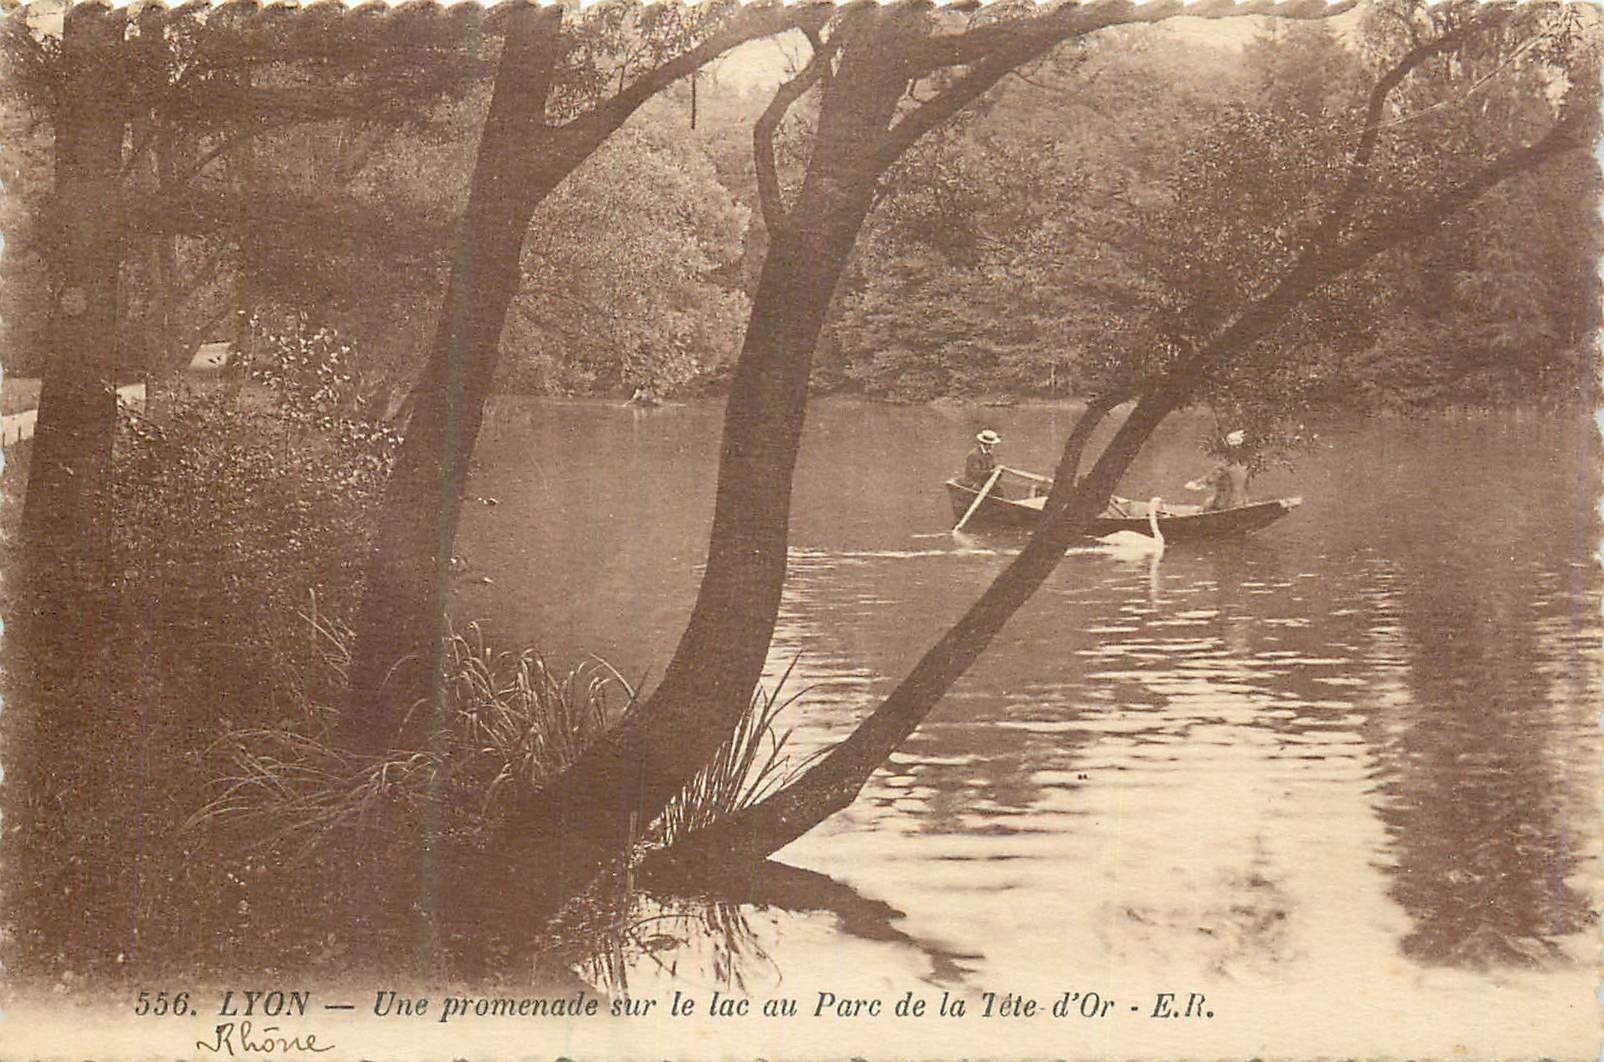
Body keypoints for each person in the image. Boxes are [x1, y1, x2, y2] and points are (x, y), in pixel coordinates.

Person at [1187, 429, 1251, 511]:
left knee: (1204, 506)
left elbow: (1203, 482)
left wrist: (1192, 484)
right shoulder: (1243, 468)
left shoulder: (1222, 468)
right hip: (1241, 505)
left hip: (1224, 506)